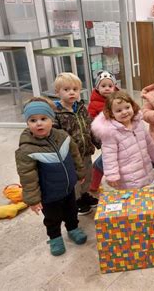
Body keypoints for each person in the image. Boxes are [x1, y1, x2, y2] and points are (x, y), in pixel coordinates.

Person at [15, 97, 87, 256]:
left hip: (68, 188)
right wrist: (33, 199)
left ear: (51, 119)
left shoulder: (63, 136)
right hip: (49, 194)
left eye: (43, 118)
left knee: (71, 210)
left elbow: (75, 155)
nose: (39, 123)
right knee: (52, 218)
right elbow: (27, 176)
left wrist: (80, 173)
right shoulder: (27, 149)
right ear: (27, 123)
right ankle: (55, 238)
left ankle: (73, 228)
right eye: (33, 120)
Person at [91, 90, 154, 189]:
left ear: (132, 106)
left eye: (127, 107)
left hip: (143, 169)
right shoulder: (110, 132)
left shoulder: (138, 123)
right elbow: (109, 156)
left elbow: (149, 143)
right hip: (127, 177)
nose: (124, 112)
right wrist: (112, 175)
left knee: (143, 197)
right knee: (130, 200)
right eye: (118, 110)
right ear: (111, 113)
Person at [53, 72, 97, 215]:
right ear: (57, 92)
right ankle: (76, 200)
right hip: (70, 154)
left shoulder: (82, 108)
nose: (71, 93)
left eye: (75, 89)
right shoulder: (56, 112)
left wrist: (96, 142)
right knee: (76, 178)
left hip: (86, 150)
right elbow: (55, 135)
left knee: (88, 174)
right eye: (66, 90)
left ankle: (85, 194)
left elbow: (90, 126)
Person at [87, 71, 119, 192]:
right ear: (97, 87)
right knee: (104, 160)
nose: (107, 89)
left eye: (110, 86)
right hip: (105, 137)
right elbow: (91, 121)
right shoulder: (94, 103)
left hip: (119, 135)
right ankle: (93, 184)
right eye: (103, 86)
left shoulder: (118, 99)